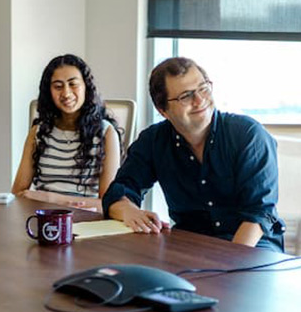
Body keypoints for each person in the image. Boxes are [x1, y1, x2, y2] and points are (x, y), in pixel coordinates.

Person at [102, 57, 284, 252]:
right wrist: (128, 210)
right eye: (186, 96)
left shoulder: (248, 134)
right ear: (163, 110)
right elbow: (119, 191)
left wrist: (229, 264)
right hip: (191, 245)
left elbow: (259, 212)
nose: (199, 100)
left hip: (253, 246)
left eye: (203, 88)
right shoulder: (154, 141)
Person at [12, 54, 122, 212]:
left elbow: (108, 204)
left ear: (86, 86)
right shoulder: (38, 132)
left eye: (73, 84)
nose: (66, 93)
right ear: (49, 92)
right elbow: (18, 193)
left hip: (88, 223)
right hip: (44, 219)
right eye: (58, 86)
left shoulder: (106, 133)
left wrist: (52, 199)